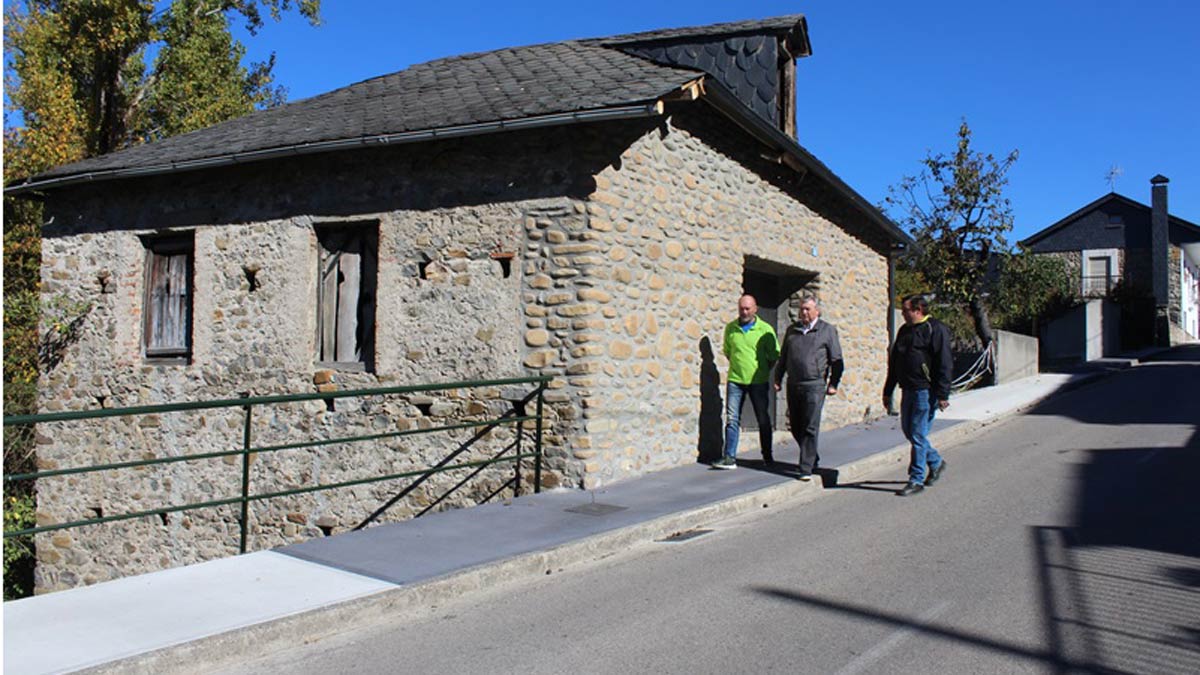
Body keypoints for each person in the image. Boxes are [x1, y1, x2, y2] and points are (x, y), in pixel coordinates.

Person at [882, 294, 953, 497]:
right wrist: (888, 390)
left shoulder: (934, 329)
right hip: (908, 389)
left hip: (926, 391)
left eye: (905, 310)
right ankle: (936, 462)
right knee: (909, 431)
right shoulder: (904, 331)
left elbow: (945, 363)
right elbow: (895, 363)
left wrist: (942, 394)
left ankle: (916, 479)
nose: (903, 313)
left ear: (918, 310)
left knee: (918, 434)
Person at [774, 297, 843, 481]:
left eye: (807, 309)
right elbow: (784, 357)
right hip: (794, 384)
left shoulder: (827, 331)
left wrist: (833, 384)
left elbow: (837, 361)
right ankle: (812, 456)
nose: (803, 312)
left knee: (810, 426)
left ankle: (805, 467)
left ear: (816, 311)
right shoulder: (792, 331)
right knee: (795, 425)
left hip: (815, 385)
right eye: (802, 309)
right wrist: (778, 378)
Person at [714, 294, 779, 469]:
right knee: (732, 419)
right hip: (736, 380)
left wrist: (763, 370)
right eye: (741, 308)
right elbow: (728, 352)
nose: (744, 312)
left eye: (747, 308)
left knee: (763, 419)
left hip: (758, 381)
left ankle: (768, 457)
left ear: (755, 309)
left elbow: (774, 355)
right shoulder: (731, 328)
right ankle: (729, 458)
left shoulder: (765, 329)